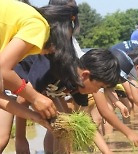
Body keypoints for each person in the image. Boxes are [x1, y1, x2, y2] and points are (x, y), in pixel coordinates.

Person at [0, 0, 81, 152]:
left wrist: (35, 116)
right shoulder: (38, 25)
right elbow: (3, 70)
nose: (55, 51)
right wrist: (35, 97)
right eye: (62, 43)